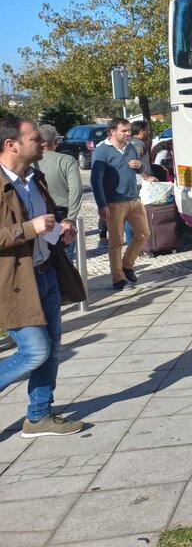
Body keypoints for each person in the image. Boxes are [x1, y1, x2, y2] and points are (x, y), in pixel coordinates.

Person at [0, 115, 87, 437]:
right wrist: (28, 229)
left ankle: (39, 416)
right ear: (12, 145)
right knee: (34, 352)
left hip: (46, 272)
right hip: (14, 284)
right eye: (34, 138)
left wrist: (60, 228)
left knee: (51, 349)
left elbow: (45, 221)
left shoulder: (34, 178)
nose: (42, 142)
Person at [90, 117, 150, 290]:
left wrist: (139, 166)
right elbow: (96, 180)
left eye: (129, 130)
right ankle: (118, 278)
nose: (128, 133)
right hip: (114, 203)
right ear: (112, 131)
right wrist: (102, 204)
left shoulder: (130, 146)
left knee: (144, 233)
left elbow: (139, 168)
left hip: (133, 199)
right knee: (116, 242)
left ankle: (127, 264)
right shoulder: (101, 151)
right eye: (124, 131)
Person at [35, 125, 83, 262]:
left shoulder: (28, 162)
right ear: (56, 141)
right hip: (61, 215)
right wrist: (70, 218)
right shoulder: (67, 160)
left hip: (35, 216)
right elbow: (76, 190)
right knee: (64, 260)